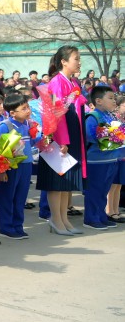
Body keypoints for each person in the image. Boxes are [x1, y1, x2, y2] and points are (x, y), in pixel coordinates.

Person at [38, 46, 86, 236]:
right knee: (57, 182)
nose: (79, 62)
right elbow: (55, 115)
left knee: (66, 182)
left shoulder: (71, 81)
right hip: (60, 136)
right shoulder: (58, 82)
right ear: (64, 61)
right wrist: (62, 140)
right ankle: (56, 220)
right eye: (76, 58)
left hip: (72, 131)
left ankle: (63, 219)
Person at [0, 94, 39, 239]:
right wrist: (1, 170)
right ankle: (6, 227)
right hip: (11, 167)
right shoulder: (5, 126)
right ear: (12, 113)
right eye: (23, 108)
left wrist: (40, 139)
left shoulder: (27, 124)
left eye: (28, 107)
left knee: (21, 197)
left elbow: (29, 144)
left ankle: (18, 225)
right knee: (8, 196)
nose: (28, 111)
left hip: (26, 165)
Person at [83, 86, 120, 230]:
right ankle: (91, 219)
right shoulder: (93, 116)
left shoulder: (110, 116)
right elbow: (90, 135)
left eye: (113, 98)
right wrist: (113, 137)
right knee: (95, 190)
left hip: (111, 159)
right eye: (110, 98)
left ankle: (101, 216)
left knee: (104, 190)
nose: (114, 101)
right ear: (98, 101)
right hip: (97, 161)